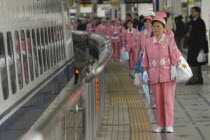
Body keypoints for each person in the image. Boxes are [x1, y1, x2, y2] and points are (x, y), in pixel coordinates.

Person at [142, 17, 180, 133]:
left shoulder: (168, 39)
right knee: (157, 101)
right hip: (154, 75)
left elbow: (174, 53)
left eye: (158, 26)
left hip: (168, 74)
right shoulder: (148, 41)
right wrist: (144, 71)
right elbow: (145, 57)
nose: (155, 28)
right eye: (154, 26)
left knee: (168, 100)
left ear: (164, 28)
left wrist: (174, 67)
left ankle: (169, 124)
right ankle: (160, 124)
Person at [185, 6, 209, 85]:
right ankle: (199, 79)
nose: (192, 13)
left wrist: (202, 47)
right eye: (191, 11)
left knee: (194, 62)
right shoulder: (192, 22)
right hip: (192, 45)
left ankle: (193, 79)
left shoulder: (200, 22)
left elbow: (201, 35)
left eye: (194, 11)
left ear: (198, 13)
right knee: (196, 62)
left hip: (198, 46)